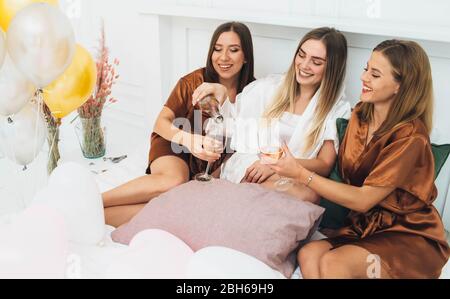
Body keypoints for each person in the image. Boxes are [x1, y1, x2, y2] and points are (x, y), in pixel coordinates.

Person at [269, 39, 450, 278]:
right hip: (365, 226)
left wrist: (302, 175)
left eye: (374, 75)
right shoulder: (359, 116)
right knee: (309, 253)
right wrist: (287, 163)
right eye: (366, 69)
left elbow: (363, 199)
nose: (363, 78)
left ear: (400, 86)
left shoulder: (411, 137)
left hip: (406, 233)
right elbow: (331, 166)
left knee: (335, 263)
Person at [102, 22, 255, 227]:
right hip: (176, 143)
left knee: (175, 205)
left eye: (233, 50)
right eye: (217, 49)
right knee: (173, 181)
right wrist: (189, 140)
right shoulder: (194, 81)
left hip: (209, 162)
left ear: (245, 56)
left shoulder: (255, 93)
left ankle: (93, 215)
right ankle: (96, 200)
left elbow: (245, 142)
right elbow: (160, 123)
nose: (223, 57)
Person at [193, 27, 350, 202]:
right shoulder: (270, 87)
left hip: (293, 174)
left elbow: (324, 164)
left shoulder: (337, 108)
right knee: (306, 195)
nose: (304, 65)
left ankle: (229, 194)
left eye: (316, 62)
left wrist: (277, 166)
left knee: (309, 194)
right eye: (301, 55)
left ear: (332, 68)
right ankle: (228, 191)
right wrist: (220, 90)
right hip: (252, 166)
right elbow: (230, 122)